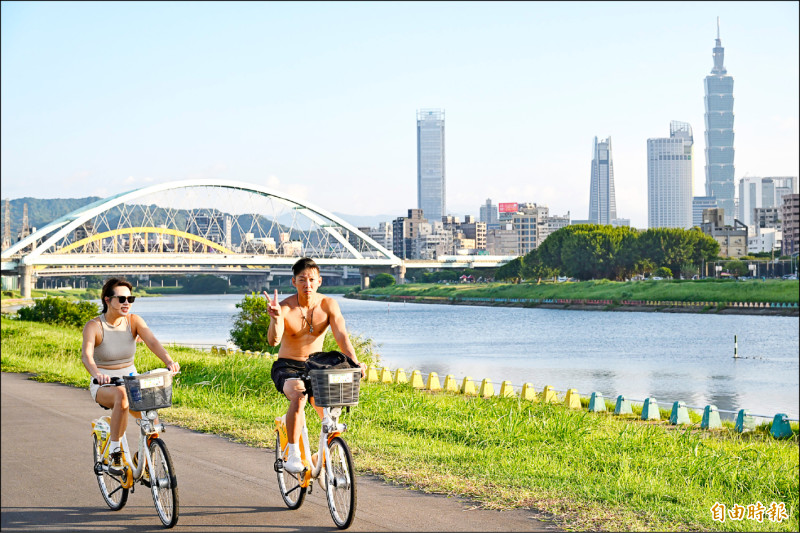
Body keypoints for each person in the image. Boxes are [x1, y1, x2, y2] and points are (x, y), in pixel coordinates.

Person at [265, 257, 367, 473]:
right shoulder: (284, 308)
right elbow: (274, 341)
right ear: (294, 282)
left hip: (316, 366)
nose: (307, 284)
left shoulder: (328, 305)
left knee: (330, 416)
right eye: (302, 280)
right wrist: (275, 319)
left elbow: (342, 337)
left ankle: (318, 458)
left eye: (311, 279)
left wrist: (355, 363)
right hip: (287, 366)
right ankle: (293, 454)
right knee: (299, 396)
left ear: (319, 281)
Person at [81, 277, 180, 473]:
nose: (127, 303)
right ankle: (115, 452)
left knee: (151, 419)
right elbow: (87, 355)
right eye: (122, 299)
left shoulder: (134, 321)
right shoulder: (94, 326)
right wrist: (97, 374)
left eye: (130, 299)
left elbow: (151, 341)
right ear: (107, 300)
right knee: (122, 396)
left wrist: (169, 361)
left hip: (131, 380)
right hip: (104, 384)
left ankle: (143, 458)